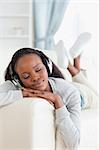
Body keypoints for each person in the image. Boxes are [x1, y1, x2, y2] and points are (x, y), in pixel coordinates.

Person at [0, 47, 81, 150]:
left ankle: (74, 65)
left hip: (83, 95)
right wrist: (23, 94)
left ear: (47, 66)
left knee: (93, 93)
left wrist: (58, 101)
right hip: (67, 85)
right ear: (17, 80)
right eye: (26, 76)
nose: (35, 77)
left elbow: (73, 144)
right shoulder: (14, 85)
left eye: (38, 70)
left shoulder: (69, 91)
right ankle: (74, 64)